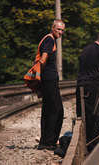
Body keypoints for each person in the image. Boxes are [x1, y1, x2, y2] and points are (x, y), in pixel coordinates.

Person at [36, 19, 65, 151]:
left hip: (47, 79)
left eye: (62, 30)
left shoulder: (47, 39)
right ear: (52, 28)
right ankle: (50, 142)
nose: (61, 32)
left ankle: (45, 141)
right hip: (49, 79)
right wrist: (41, 74)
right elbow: (43, 59)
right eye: (58, 29)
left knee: (48, 110)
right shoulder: (49, 40)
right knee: (56, 110)